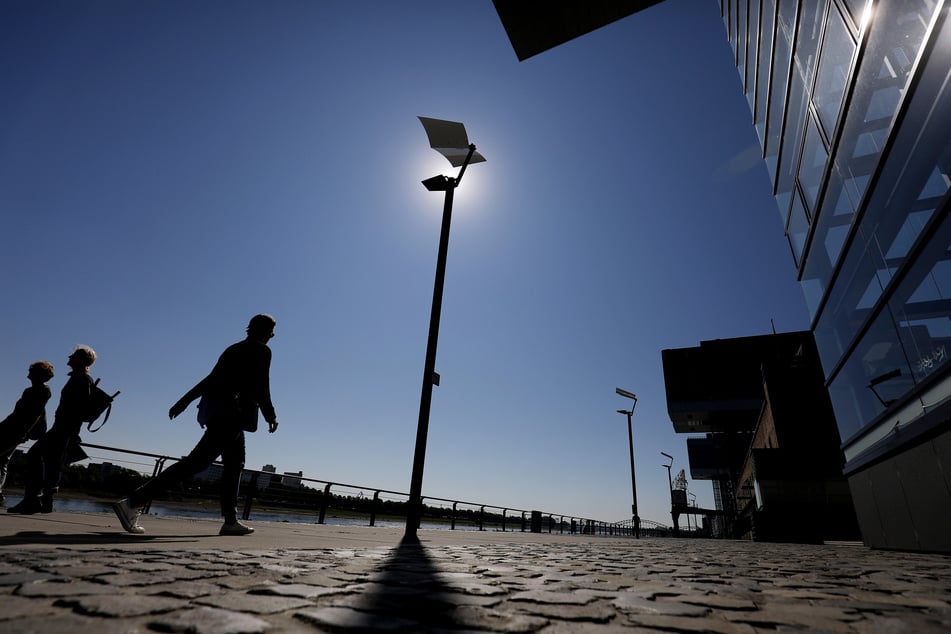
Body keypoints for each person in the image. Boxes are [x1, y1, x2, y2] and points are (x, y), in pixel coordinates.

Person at [113, 314, 280, 536]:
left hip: (222, 414)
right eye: (272, 331)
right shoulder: (261, 350)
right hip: (231, 416)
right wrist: (271, 415)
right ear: (265, 331)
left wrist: (185, 400)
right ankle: (133, 501)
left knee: (234, 465)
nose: (273, 336)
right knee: (196, 463)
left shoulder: (233, 349)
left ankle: (230, 521)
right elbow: (262, 385)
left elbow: (210, 379)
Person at [8, 346, 96, 514]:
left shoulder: (82, 379)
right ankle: (44, 502)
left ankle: (32, 500)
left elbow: (79, 408)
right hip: (63, 427)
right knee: (52, 462)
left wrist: (72, 431)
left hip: (64, 428)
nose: (69, 356)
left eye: (74, 355)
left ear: (80, 360)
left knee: (35, 455)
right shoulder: (80, 378)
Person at [0, 361, 55, 507]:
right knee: (2, 459)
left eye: (31, 371)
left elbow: (35, 414)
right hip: (10, 427)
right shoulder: (31, 391)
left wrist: (25, 433)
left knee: (2, 458)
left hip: (16, 429)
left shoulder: (42, 391)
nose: (28, 373)